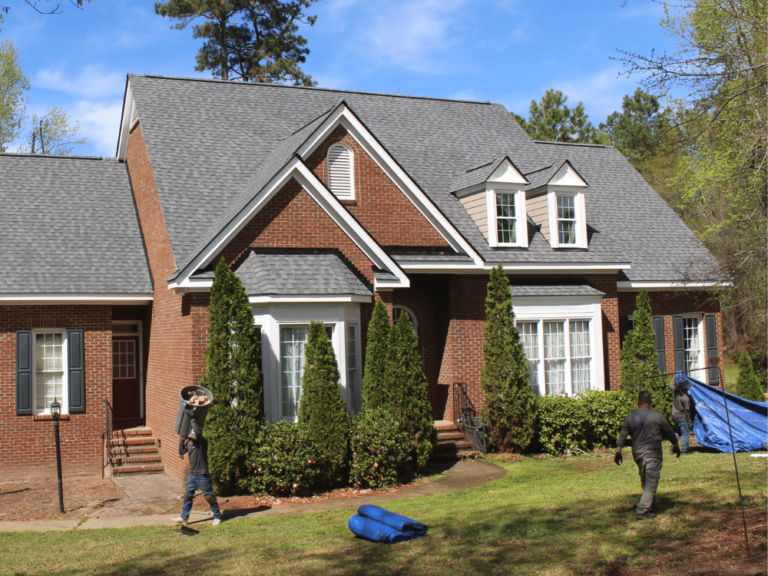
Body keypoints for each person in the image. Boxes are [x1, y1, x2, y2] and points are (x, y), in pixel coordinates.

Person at [614, 391, 681, 520]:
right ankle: (642, 511)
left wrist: (618, 451)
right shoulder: (658, 416)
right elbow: (670, 432)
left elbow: (623, 435)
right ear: (650, 402)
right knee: (651, 483)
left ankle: (652, 504)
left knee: (646, 480)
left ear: (638, 402)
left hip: (638, 454)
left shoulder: (630, 417)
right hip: (653, 454)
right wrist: (676, 446)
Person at [172, 412, 223, 526]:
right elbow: (181, 451)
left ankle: (217, 516)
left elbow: (198, 432)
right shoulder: (190, 443)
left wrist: (192, 419)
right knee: (187, 496)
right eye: (191, 437)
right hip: (192, 475)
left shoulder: (202, 443)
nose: (193, 439)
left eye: (194, 437)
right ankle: (184, 517)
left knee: (209, 496)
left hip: (202, 475)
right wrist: (182, 439)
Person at [671, 379, 692, 454]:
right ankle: (684, 450)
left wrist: (674, 377)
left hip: (674, 416)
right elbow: (687, 411)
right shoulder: (685, 398)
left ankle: (673, 447)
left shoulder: (675, 391)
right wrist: (689, 422)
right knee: (686, 434)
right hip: (681, 417)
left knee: (678, 432)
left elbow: (671, 385)